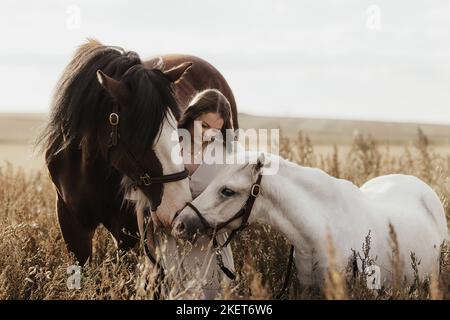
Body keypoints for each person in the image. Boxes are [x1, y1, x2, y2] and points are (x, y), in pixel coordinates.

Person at [174, 89, 236, 299]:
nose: (207, 134)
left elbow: (235, 203)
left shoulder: (227, 154)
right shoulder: (170, 143)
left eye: (216, 130)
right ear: (192, 116)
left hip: (209, 245)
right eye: (204, 125)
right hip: (168, 244)